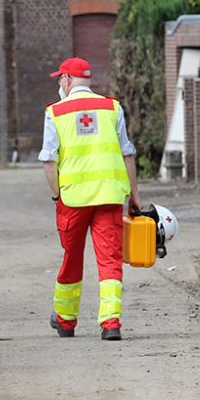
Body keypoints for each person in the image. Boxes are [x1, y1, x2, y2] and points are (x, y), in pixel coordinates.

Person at [39, 57, 140, 341]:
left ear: (68, 81)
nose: (60, 84)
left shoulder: (55, 112)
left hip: (73, 198)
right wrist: (135, 196)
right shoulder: (112, 107)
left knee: (72, 258)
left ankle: (66, 320)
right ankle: (111, 323)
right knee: (110, 259)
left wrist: (57, 194)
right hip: (109, 195)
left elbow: (49, 161)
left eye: (60, 79)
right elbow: (127, 154)